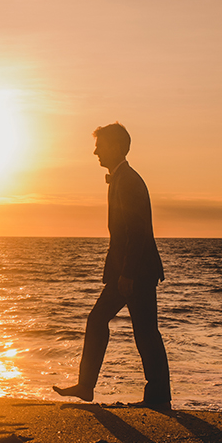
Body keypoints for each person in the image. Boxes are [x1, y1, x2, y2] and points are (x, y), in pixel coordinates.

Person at [54, 123, 171, 409]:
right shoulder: (121, 179)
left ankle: (155, 396)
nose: (95, 151)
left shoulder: (129, 180)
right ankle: (89, 387)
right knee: (127, 327)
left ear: (116, 147)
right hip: (127, 271)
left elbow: (137, 230)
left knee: (140, 331)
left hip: (135, 272)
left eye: (100, 145)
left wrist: (127, 274)